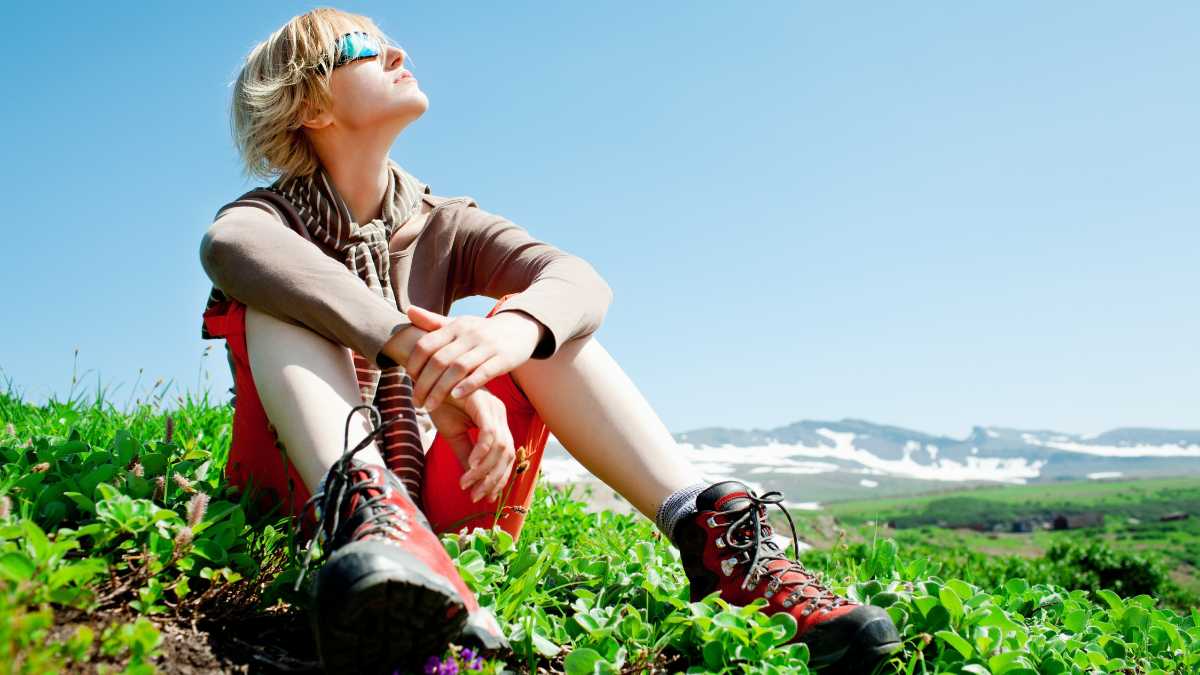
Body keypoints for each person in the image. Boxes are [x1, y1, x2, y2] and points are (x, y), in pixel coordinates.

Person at [198, 7, 901, 673]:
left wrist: (505, 335)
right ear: (312, 108)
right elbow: (231, 246)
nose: (397, 53)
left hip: (454, 491)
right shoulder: (269, 218)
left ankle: (712, 537)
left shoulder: (445, 220)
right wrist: (413, 349)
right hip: (296, 493)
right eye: (360, 48)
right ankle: (366, 515)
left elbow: (577, 279)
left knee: (543, 323)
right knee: (273, 299)